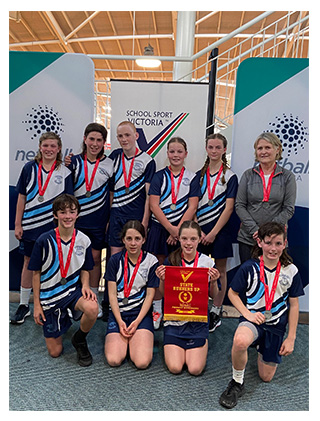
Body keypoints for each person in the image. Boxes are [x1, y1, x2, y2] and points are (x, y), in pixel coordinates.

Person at [219, 222, 304, 409]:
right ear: (260, 243)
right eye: (268, 242)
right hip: (253, 322)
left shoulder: (291, 271)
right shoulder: (249, 267)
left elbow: (294, 304)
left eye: (278, 243)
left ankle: (260, 348)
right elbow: (232, 294)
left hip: (276, 327)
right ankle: (237, 382)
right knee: (240, 341)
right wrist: (247, 314)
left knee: (266, 377)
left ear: (285, 243)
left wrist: (291, 337)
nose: (273, 248)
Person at [28, 194, 99, 366]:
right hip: (49, 296)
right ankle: (63, 318)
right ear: (55, 215)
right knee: (55, 352)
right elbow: (35, 273)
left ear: (77, 214)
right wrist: (36, 304)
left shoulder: (84, 240)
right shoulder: (43, 240)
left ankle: (79, 339)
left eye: (72, 212)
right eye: (62, 212)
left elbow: (85, 269)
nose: (67, 216)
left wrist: (85, 286)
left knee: (92, 307)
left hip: (72, 292)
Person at [11, 132, 73, 325]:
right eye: (46, 145)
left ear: (59, 149)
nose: (49, 149)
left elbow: (68, 203)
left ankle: (54, 303)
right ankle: (23, 305)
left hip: (54, 227)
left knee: (54, 263)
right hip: (30, 225)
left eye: (53, 146)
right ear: (40, 147)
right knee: (28, 263)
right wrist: (18, 223)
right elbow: (21, 196)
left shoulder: (65, 171)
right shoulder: (29, 168)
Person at [146, 137, 201, 329]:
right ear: (167, 154)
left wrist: (178, 231)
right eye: (172, 151)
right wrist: (171, 229)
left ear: (186, 154)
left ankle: (175, 308)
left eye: (179, 151)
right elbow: (154, 205)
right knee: (159, 269)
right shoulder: (159, 176)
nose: (175, 155)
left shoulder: (193, 177)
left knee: (179, 271)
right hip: (160, 228)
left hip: (183, 230)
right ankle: (157, 309)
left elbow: (192, 206)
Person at [156, 221, 220, 376]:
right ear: (179, 239)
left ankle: (195, 345)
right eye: (184, 238)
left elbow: (214, 295)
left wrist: (213, 282)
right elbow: (164, 294)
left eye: (193, 239)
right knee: (175, 368)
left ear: (199, 239)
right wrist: (162, 280)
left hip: (197, 323)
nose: (188, 243)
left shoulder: (207, 263)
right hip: (174, 321)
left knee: (195, 369)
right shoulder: (171, 261)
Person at [66, 123, 113, 317]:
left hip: (98, 221)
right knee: (72, 259)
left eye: (99, 140)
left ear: (104, 143)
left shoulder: (109, 164)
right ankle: (72, 300)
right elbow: (67, 194)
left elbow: (111, 195)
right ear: (85, 139)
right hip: (75, 222)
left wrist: (109, 218)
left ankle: (93, 299)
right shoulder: (73, 162)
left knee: (94, 260)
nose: (95, 144)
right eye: (91, 139)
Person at [196, 133, 238, 332]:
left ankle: (217, 309)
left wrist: (213, 232)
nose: (214, 151)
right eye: (210, 147)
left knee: (220, 271)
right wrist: (198, 230)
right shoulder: (199, 175)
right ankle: (198, 307)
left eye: (217, 147)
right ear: (206, 149)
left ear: (224, 150)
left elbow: (229, 208)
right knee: (200, 271)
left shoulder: (230, 177)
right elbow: (192, 206)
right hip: (200, 232)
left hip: (220, 232)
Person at [104, 220, 159, 369]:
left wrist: (137, 321)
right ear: (123, 240)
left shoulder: (151, 261)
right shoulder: (114, 261)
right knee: (114, 360)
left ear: (144, 240)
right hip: (118, 314)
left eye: (137, 239)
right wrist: (120, 320)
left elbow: (149, 296)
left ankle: (135, 343)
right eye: (129, 239)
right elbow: (112, 295)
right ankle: (126, 343)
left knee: (142, 362)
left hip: (140, 315)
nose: (133, 243)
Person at [235, 132, 296, 264]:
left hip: (275, 241)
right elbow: (239, 205)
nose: (263, 152)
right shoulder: (248, 175)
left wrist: (268, 232)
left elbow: (288, 209)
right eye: (259, 148)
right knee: (249, 280)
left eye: (267, 148)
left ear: (277, 149)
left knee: (273, 280)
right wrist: (256, 230)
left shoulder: (287, 177)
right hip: (248, 238)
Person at [107, 121, 156, 256]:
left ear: (136, 135)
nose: (124, 139)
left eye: (127, 135)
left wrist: (145, 221)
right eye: (120, 136)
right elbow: (110, 192)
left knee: (135, 257)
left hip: (136, 216)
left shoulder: (147, 161)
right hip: (116, 216)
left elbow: (148, 196)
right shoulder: (114, 157)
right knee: (115, 257)